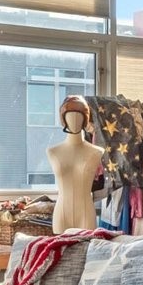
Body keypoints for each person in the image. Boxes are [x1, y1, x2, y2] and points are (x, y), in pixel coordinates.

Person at [47, 96, 105, 234]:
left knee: (86, 254)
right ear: (63, 119)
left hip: (86, 213)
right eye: (69, 116)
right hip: (62, 214)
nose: (74, 120)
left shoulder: (96, 151)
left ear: (85, 119)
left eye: (79, 116)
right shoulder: (53, 151)